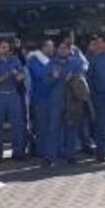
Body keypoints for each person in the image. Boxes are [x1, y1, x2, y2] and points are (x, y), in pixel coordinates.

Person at [42, 39, 85, 168]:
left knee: (71, 128)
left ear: (69, 50)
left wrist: (73, 78)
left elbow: (81, 79)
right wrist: (54, 77)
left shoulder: (76, 62)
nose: (62, 51)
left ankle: (71, 155)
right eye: (60, 48)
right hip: (56, 100)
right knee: (53, 128)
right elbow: (45, 82)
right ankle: (50, 157)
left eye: (65, 48)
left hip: (72, 100)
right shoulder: (51, 63)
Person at [0, 39, 27, 162]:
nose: (6, 50)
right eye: (3, 47)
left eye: (7, 47)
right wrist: (6, 76)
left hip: (13, 94)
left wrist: (17, 75)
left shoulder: (14, 60)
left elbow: (22, 76)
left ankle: (18, 152)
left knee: (17, 124)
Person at [26, 39, 55, 159]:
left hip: (52, 98)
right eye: (50, 47)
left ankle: (51, 150)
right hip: (39, 98)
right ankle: (40, 151)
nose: (52, 49)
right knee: (41, 126)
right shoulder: (34, 60)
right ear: (43, 48)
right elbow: (40, 75)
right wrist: (52, 73)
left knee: (51, 126)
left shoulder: (51, 60)